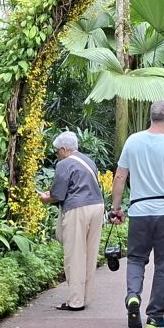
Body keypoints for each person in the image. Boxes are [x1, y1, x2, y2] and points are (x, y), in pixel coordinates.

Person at [108, 100, 164, 328]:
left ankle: (133, 296)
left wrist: (116, 208)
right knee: (163, 265)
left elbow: (120, 176)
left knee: (136, 259)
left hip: (139, 212)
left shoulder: (133, 141)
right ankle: (155, 317)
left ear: (152, 117)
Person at [37, 131, 104, 311]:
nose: (57, 155)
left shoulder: (64, 164)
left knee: (75, 254)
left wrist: (45, 198)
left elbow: (58, 194)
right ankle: (85, 297)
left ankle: (75, 301)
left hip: (78, 209)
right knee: (90, 253)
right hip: (97, 207)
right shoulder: (88, 160)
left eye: (57, 151)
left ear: (63, 149)